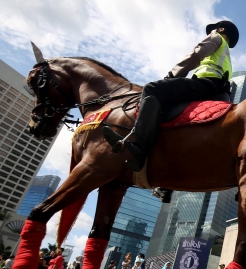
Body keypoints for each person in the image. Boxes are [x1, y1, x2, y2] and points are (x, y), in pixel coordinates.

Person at [102, 20, 239, 180]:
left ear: (220, 29)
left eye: (213, 30)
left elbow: (196, 55)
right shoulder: (227, 56)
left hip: (206, 84)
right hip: (219, 93)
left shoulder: (216, 38)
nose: (210, 33)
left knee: (152, 89)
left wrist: (173, 75)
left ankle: (138, 149)